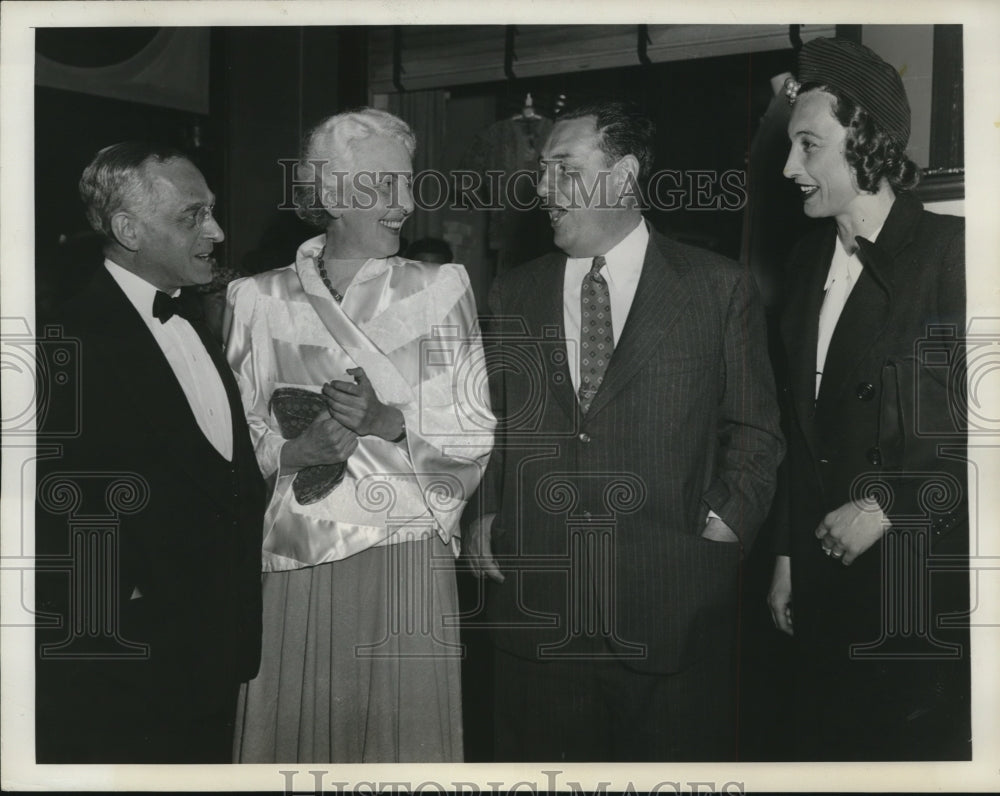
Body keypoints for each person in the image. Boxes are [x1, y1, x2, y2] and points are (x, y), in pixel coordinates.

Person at [467, 99, 784, 761]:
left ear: (624, 175)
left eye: (564, 168)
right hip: (537, 612)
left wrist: (722, 527)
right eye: (542, 169)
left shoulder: (715, 288)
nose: (543, 187)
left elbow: (756, 431)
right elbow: (488, 424)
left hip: (670, 607)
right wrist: (483, 510)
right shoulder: (511, 292)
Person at [226, 108, 494, 763]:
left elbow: (473, 425)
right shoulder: (255, 298)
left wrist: (388, 422)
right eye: (385, 185)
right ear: (335, 194)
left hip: (402, 550)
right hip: (295, 554)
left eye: (408, 183)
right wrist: (293, 453)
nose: (406, 203)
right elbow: (232, 442)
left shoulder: (438, 288)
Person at [767, 37, 969, 760]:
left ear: (867, 142)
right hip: (823, 577)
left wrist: (889, 501)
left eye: (808, 146)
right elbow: (799, 428)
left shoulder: (954, 254)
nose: (791, 167)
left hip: (917, 584)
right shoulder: (802, 265)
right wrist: (790, 558)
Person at [34, 142, 265, 763]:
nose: (216, 231)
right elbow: (51, 512)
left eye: (212, 211)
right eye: (193, 216)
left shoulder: (195, 326)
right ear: (127, 229)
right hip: (128, 674)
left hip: (216, 655)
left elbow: (219, 482)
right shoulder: (68, 340)